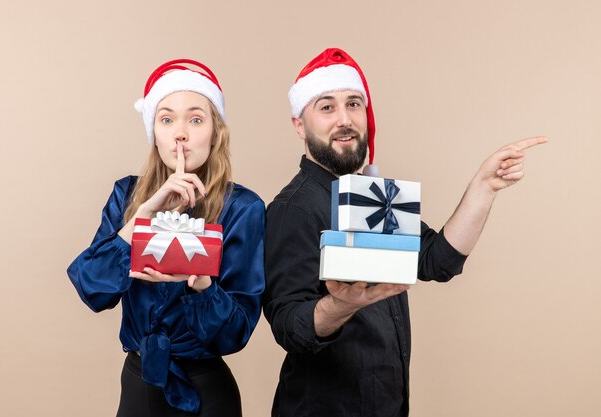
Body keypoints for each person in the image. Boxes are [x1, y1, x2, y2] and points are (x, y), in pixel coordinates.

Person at [263, 48, 547, 417]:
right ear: (300, 125)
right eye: (326, 107)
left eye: (353, 104)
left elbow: (437, 260)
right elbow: (289, 326)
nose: (345, 119)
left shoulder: (372, 196)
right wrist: (341, 305)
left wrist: (483, 186)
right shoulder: (293, 209)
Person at [68, 58, 265, 417]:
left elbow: (236, 333)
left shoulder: (243, 208)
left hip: (207, 391)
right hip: (140, 382)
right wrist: (141, 217)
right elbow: (91, 288)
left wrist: (203, 286)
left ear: (215, 131)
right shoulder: (126, 197)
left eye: (195, 118)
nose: (180, 133)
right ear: (154, 132)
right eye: (167, 118)